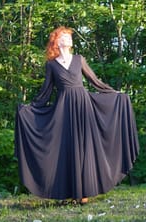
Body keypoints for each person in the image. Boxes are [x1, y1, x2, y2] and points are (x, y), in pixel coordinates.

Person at [15, 26, 139, 204]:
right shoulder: (51, 65)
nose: (69, 39)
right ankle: (70, 192)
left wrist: (114, 93)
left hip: (83, 106)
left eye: (69, 36)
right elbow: (46, 91)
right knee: (66, 148)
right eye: (65, 36)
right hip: (63, 108)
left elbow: (94, 81)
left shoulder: (79, 60)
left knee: (85, 147)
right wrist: (29, 108)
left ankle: (84, 193)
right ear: (57, 42)